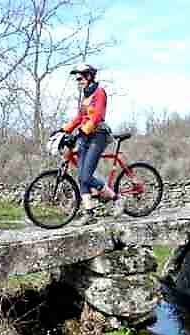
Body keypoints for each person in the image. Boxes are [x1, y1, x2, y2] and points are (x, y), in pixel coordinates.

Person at [58, 63, 120, 224]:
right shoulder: (86, 97)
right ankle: (89, 213)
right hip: (85, 136)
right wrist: (63, 130)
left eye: (80, 78)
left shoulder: (99, 93)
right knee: (81, 177)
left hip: (98, 135)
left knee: (86, 176)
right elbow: (79, 118)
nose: (78, 81)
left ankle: (116, 198)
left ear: (89, 76)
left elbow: (97, 117)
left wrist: (80, 132)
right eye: (77, 79)